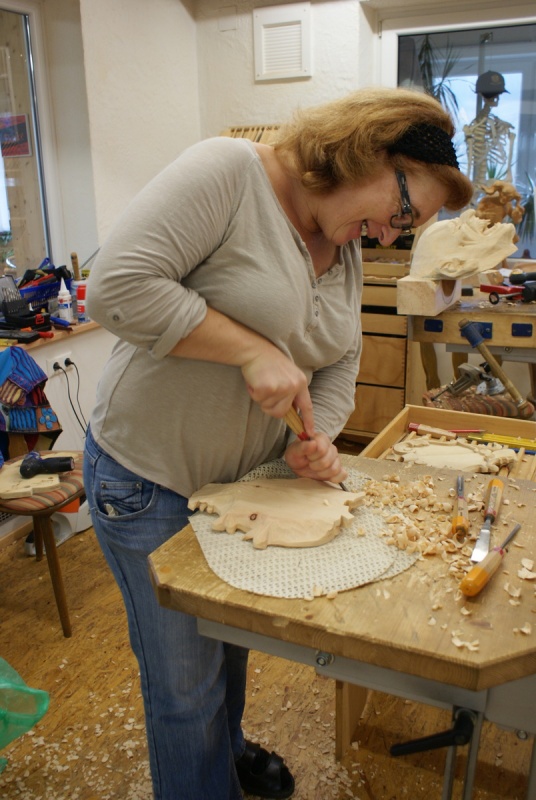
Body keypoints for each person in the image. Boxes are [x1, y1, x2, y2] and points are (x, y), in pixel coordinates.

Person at [83, 86, 473, 800]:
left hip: (243, 483)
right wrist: (248, 349)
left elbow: (339, 359)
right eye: (404, 214)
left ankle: (226, 752)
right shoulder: (230, 172)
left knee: (227, 643)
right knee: (184, 686)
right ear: (370, 151)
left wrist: (316, 438)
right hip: (149, 478)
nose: (392, 236)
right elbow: (113, 287)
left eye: (406, 230)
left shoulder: (345, 242)